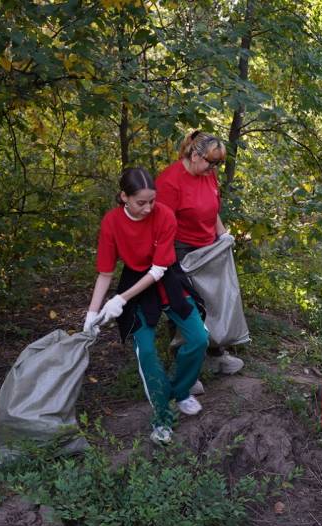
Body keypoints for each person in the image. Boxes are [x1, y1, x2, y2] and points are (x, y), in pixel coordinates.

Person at [84, 167, 209, 444]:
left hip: (165, 276)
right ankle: (163, 418)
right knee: (147, 353)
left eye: (152, 200)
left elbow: (159, 270)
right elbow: (105, 273)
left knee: (199, 338)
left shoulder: (164, 215)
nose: (148, 207)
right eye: (141, 202)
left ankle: (181, 390)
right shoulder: (111, 222)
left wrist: (120, 299)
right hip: (135, 282)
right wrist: (92, 314)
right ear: (124, 197)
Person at [156, 131, 243, 381]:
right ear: (194, 154)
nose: (213, 168)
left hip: (209, 247)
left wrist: (223, 235)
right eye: (210, 161)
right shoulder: (170, 182)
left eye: (218, 163)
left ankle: (216, 355)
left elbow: (212, 209)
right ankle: (185, 368)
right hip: (181, 249)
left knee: (214, 301)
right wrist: (168, 263)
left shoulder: (208, 174)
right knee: (186, 305)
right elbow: (162, 225)